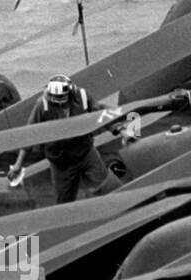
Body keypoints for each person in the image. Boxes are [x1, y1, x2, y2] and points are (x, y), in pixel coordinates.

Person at [7, 74, 121, 203]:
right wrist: (18, 165)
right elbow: (30, 135)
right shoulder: (42, 105)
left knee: (107, 186)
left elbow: (100, 113)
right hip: (61, 163)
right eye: (54, 98)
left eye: (62, 97)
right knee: (64, 201)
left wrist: (117, 128)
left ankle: (123, 205)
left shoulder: (83, 97)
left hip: (86, 154)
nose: (59, 102)